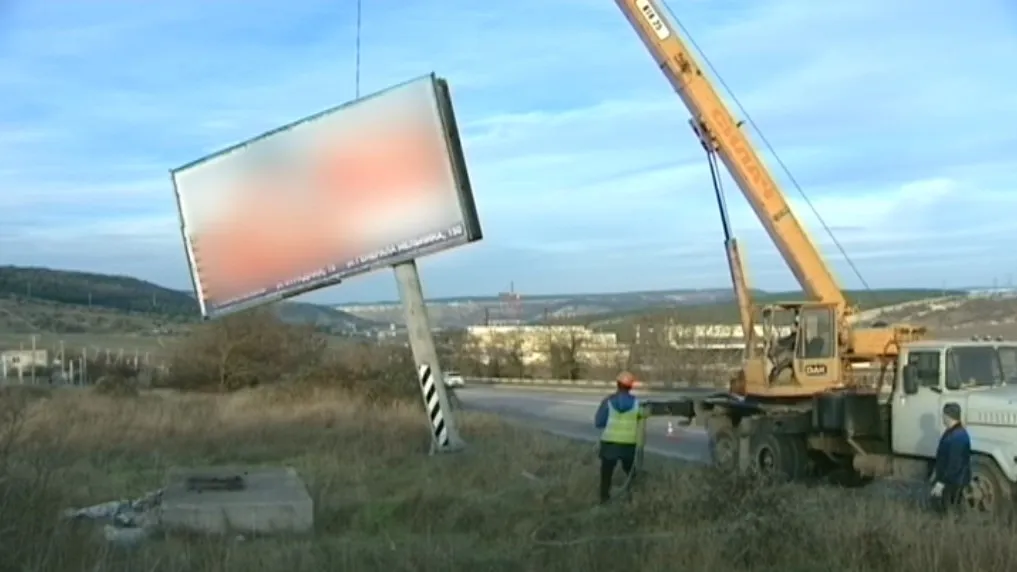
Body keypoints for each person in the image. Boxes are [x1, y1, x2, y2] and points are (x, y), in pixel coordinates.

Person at [593, 371, 642, 504]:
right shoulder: (637, 403)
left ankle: (604, 499)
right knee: (630, 473)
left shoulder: (608, 401)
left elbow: (598, 423)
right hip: (628, 444)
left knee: (606, 474)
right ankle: (634, 497)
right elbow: (640, 419)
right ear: (631, 386)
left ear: (617, 384)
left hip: (609, 444)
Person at [930, 401, 972, 515]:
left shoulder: (957, 436)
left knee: (950, 511)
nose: (942, 418)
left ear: (948, 416)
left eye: (943, 415)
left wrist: (942, 483)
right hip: (951, 480)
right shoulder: (952, 432)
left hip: (953, 483)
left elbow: (955, 464)